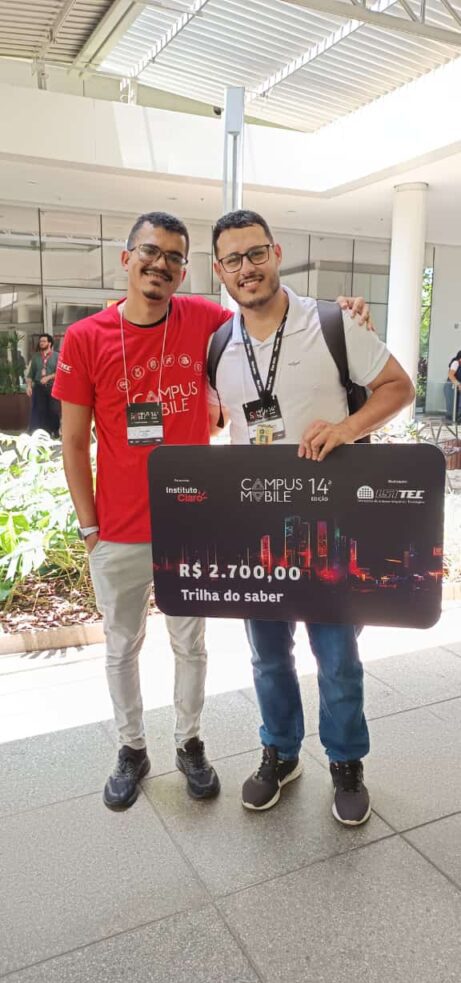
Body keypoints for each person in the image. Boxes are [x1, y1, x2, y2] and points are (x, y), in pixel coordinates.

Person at [52, 210, 372, 813]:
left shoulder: (205, 322)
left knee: (191, 646)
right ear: (127, 258)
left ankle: (189, 744)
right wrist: (90, 527)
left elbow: (270, 313)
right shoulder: (86, 337)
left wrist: (347, 312)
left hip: (190, 525)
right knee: (121, 646)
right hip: (116, 528)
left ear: (187, 270)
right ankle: (131, 749)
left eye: (175, 257)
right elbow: (72, 441)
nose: (161, 264)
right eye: (151, 252)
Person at [209, 209, 414, 826]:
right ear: (219, 270)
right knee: (268, 655)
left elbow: (398, 386)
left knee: (337, 655)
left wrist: (347, 429)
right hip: (257, 533)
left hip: (330, 529)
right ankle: (280, 750)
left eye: (256, 253)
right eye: (233, 259)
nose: (247, 268)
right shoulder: (218, 345)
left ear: (275, 253)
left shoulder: (330, 323)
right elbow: (222, 421)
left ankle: (346, 761)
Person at [26, 334, 61, 437]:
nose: (41, 343)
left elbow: (60, 373)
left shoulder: (57, 356)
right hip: (39, 388)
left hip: (52, 387)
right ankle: (45, 433)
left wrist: (48, 377)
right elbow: (30, 374)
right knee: (41, 411)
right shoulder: (36, 357)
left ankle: (55, 431)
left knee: (54, 410)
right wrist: (29, 386)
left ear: (49, 343)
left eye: (44, 341)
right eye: (40, 341)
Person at [444, 350, 461, 422]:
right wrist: (458, 384)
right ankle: (450, 424)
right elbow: (450, 375)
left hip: (457, 389)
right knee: (451, 408)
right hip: (451, 387)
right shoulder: (456, 363)